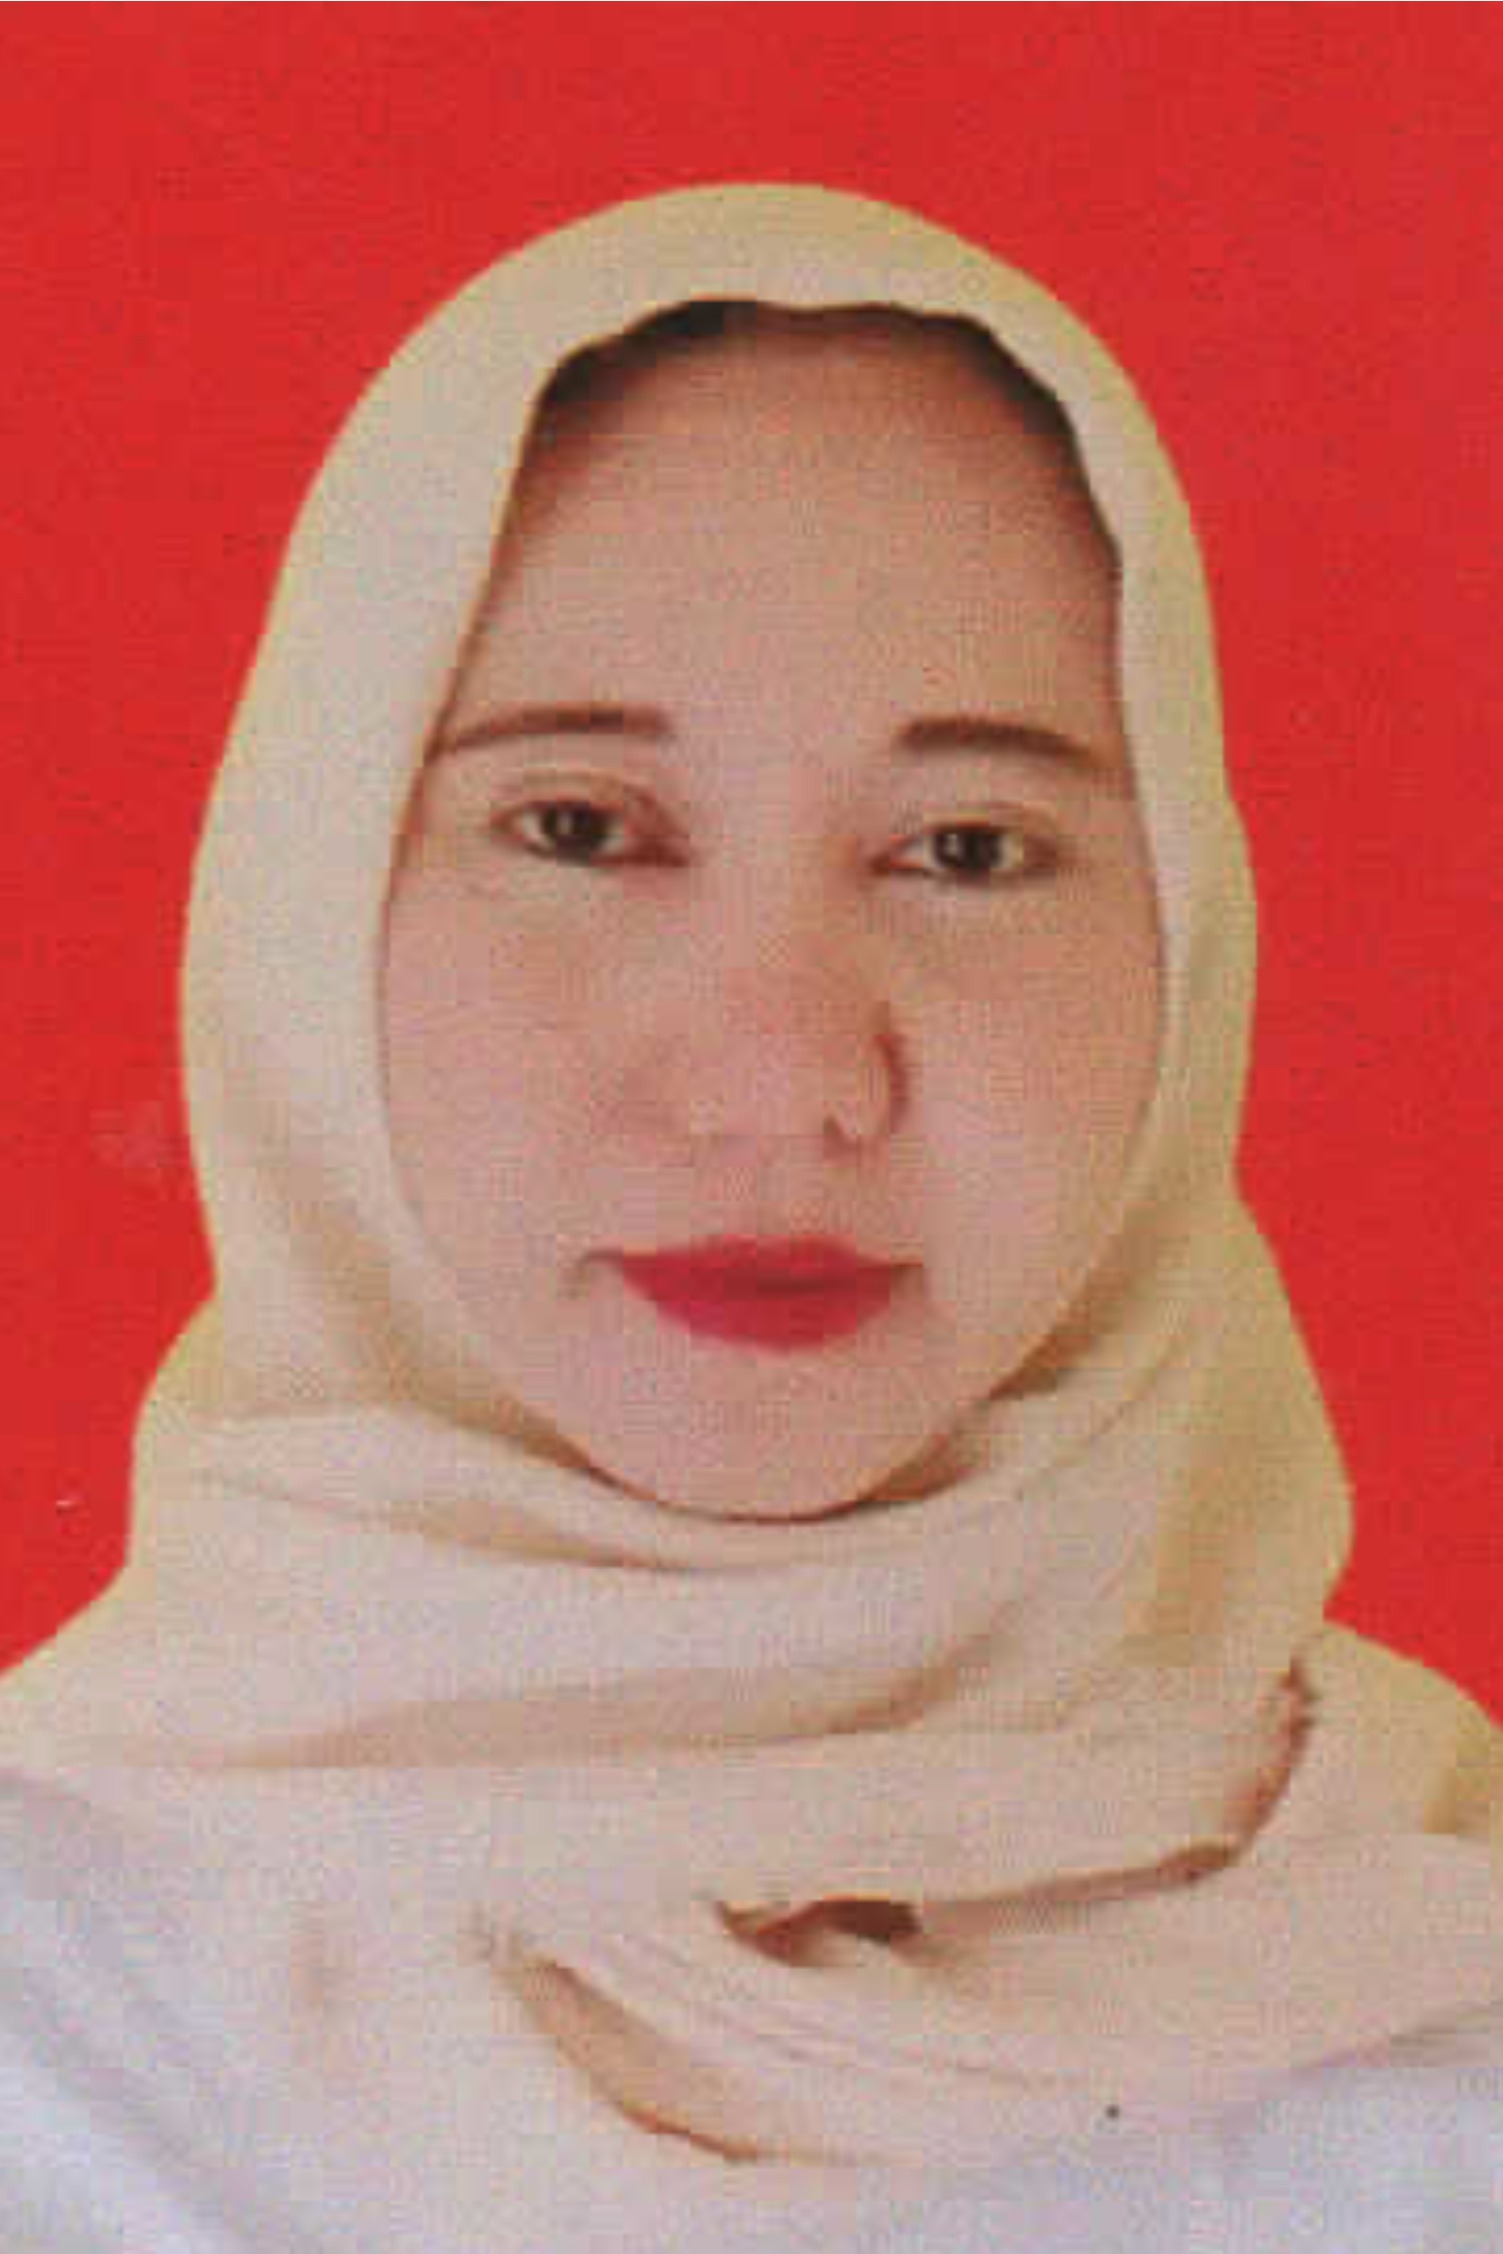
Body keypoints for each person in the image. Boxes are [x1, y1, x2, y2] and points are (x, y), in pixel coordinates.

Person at [2, 183, 1502, 2253]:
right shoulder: (53, 2008)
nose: (783, 1075)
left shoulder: (1436, 1966)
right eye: (579, 827)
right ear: (303, 897)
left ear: (1186, 941)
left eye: (967, 847)